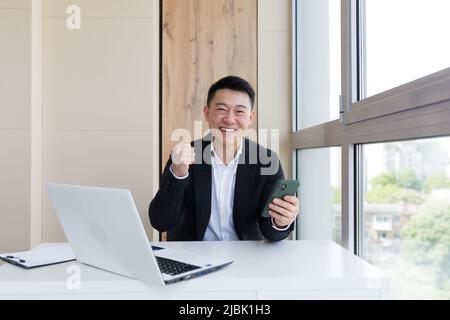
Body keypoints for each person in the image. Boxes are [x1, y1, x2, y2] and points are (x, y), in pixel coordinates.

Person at [149, 76, 299, 241]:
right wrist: (178, 174)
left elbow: (271, 232)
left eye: (239, 111)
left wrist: (280, 221)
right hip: (194, 256)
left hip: (246, 257)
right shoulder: (184, 156)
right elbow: (160, 222)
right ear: (207, 113)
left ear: (250, 117)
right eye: (221, 109)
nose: (229, 119)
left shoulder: (267, 161)